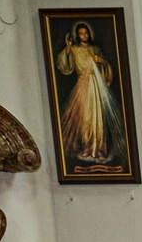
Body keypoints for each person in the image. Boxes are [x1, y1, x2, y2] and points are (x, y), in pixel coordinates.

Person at [54, 21, 127, 169]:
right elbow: (65, 66)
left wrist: (102, 62)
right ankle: (88, 147)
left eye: (86, 32)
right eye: (81, 33)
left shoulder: (95, 49)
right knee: (86, 117)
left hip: (97, 85)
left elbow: (105, 67)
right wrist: (68, 48)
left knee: (98, 117)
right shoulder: (74, 50)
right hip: (84, 85)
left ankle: (99, 148)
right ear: (77, 35)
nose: (84, 35)